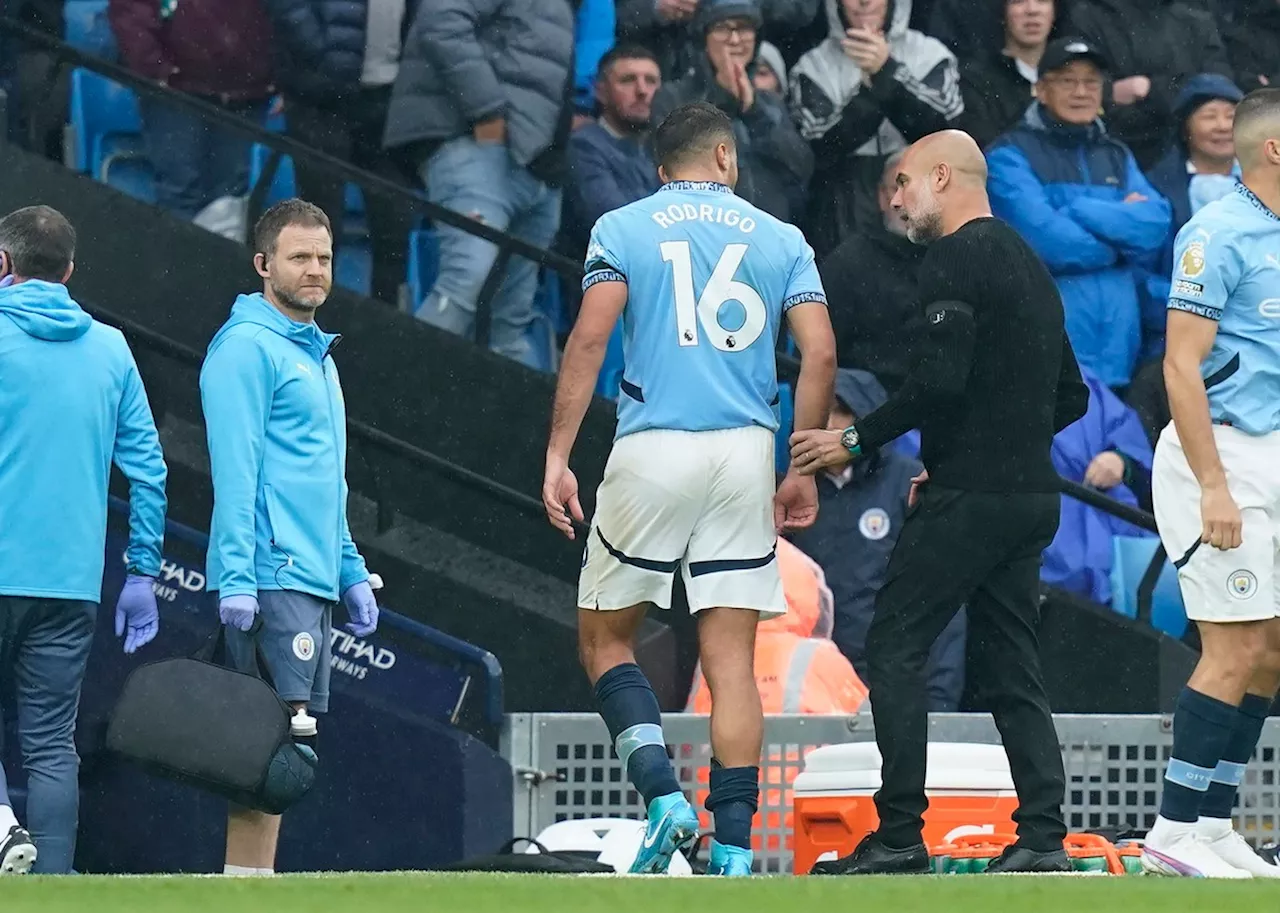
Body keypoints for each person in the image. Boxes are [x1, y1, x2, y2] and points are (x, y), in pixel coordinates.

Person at [541, 101, 837, 877]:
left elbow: (592, 337)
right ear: (727, 160)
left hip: (654, 444)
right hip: (744, 450)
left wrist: (559, 455)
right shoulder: (784, 240)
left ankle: (663, 797)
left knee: (604, 637)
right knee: (730, 657)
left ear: (661, 169)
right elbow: (821, 355)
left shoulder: (624, 227)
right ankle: (735, 847)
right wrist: (800, 466)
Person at [791, 129, 1090, 875]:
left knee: (894, 646)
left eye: (902, 184)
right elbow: (1071, 395)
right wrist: (985, 452)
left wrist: (855, 442)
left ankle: (898, 834)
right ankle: (1044, 835)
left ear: (943, 177)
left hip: (973, 497)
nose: (894, 201)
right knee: (1010, 662)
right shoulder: (1030, 264)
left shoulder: (953, 257)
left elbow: (936, 385)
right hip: (1028, 499)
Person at [201, 199, 382, 876]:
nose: (314, 270)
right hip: (270, 574)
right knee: (265, 748)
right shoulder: (245, 349)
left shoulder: (317, 356)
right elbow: (236, 470)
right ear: (263, 264)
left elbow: (324, 483)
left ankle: (255, 884)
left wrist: (349, 568)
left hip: (309, 577)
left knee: (286, 749)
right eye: (299, 257)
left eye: (324, 258)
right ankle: (245, 886)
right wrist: (239, 576)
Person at [0, 206, 167, 875]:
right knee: (49, 745)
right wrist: (142, 573)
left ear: (3, 266)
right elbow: (149, 469)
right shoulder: (111, 348)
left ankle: (6, 833)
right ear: (69, 272)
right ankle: (56, 884)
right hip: (69, 582)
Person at [1140, 88, 1280, 880]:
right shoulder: (1217, 233)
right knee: (1233, 644)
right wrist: (1214, 483)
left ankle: (1215, 819)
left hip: (1274, 449)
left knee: (1270, 650)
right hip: (1218, 453)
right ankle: (1172, 827)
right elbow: (1179, 365)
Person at [384, 0, 574, 368]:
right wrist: (487, 110)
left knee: (512, 319)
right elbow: (442, 20)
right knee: (464, 283)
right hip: (480, 147)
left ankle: (499, 422)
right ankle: (394, 399)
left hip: (537, 165)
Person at [986, 37, 1171, 393]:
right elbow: (1048, 242)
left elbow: (1155, 224)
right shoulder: (1008, 154)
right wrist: (1120, 239)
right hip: (1046, 352)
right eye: (1067, 81)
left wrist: (1077, 209)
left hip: (1121, 351)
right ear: (1040, 89)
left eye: (1091, 82)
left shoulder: (1116, 153)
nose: (1081, 92)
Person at [789, 369, 966, 710]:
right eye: (820, 409)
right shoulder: (790, 492)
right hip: (810, 684)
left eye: (842, 410)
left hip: (891, 677)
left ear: (867, 416)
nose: (828, 422)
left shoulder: (909, 484)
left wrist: (940, 701)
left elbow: (943, 593)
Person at [265, 0, 420, 307]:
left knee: (394, 225)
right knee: (319, 226)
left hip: (388, 100)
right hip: (321, 97)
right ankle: (315, 327)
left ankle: (386, 327)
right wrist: (322, 52)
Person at [790, 0, 964, 256]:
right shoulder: (813, 65)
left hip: (921, 193)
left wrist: (886, 71)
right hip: (845, 207)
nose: (864, 2)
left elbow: (946, 131)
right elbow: (820, 148)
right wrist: (874, 85)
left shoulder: (931, 54)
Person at [650, 0, 815, 223]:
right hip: (702, 232)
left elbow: (801, 167)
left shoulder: (768, 103)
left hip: (765, 235)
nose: (735, 39)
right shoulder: (672, 97)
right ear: (703, 39)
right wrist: (722, 96)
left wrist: (754, 111)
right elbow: (676, 168)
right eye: (722, 28)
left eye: (744, 28)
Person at [109, 0, 273, 221]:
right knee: (180, 195)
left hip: (248, 91)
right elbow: (129, 11)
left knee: (230, 203)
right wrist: (154, 67)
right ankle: (176, 256)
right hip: (175, 92)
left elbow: (292, 13)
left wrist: (286, 78)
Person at [1143, 76, 1244, 360]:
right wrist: (1194, 305)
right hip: (1179, 333)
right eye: (1209, 116)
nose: (1223, 126)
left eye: (1231, 116)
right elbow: (1144, 274)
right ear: (1186, 128)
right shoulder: (1156, 188)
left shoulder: (1268, 182)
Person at [1064, 0, 1233, 169]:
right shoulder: (1085, 17)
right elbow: (1086, 89)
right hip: (1111, 153)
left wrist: (1149, 89)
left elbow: (1217, 89)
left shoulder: (1196, 21)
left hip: (1186, 156)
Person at [1041, 368, 1156, 606]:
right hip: (1044, 548)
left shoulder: (1082, 380)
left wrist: (1121, 460)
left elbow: (1132, 444)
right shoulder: (991, 383)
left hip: (1112, 540)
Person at [818, 151, 925, 394]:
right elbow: (818, 357)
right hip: (866, 409)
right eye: (896, 189)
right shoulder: (847, 263)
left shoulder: (958, 259)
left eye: (917, 192)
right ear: (880, 196)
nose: (904, 202)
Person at [564, 45, 663, 259]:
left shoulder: (661, 149)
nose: (642, 91)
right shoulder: (583, 146)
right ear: (600, 91)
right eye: (628, 80)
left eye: (651, 81)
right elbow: (616, 228)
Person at [958, 0, 1057, 149]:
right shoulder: (976, 79)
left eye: (1042, 0)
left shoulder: (1080, 77)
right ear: (1002, 11)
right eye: (1018, 1)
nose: (1032, 10)